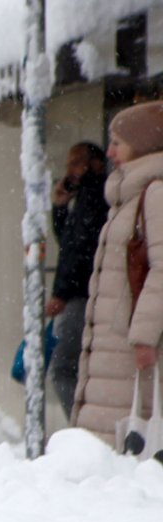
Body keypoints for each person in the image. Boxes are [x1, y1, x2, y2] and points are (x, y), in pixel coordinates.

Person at [76, 104, 163, 449]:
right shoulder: (130, 195)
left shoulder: (155, 193)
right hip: (118, 348)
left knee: (123, 447)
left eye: (118, 142)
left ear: (143, 146)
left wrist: (143, 337)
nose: (109, 151)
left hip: (134, 350)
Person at [47, 140, 107, 421]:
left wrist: (61, 292)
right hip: (81, 294)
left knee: (63, 368)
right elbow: (68, 242)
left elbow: (80, 251)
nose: (69, 170)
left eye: (75, 163)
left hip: (82, 296)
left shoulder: (95, 197)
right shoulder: (85, 197)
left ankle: (81, 427)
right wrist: (60, 208)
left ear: (92, 164)